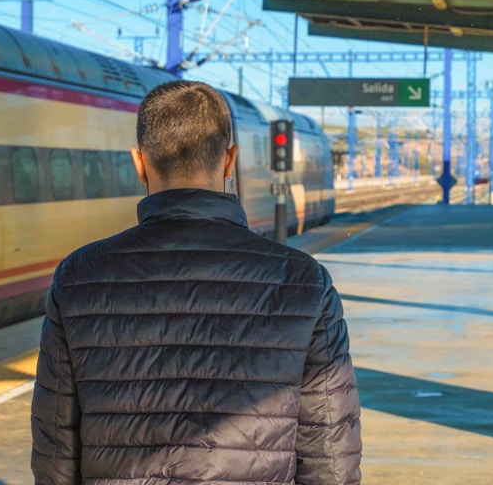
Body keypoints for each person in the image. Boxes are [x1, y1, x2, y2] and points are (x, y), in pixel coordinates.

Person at [31, 80, 362, 485]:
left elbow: (55, 451)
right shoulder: (304, 281)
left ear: (139, 164)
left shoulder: (78, 277)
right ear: (230, 162)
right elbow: (330, 455)